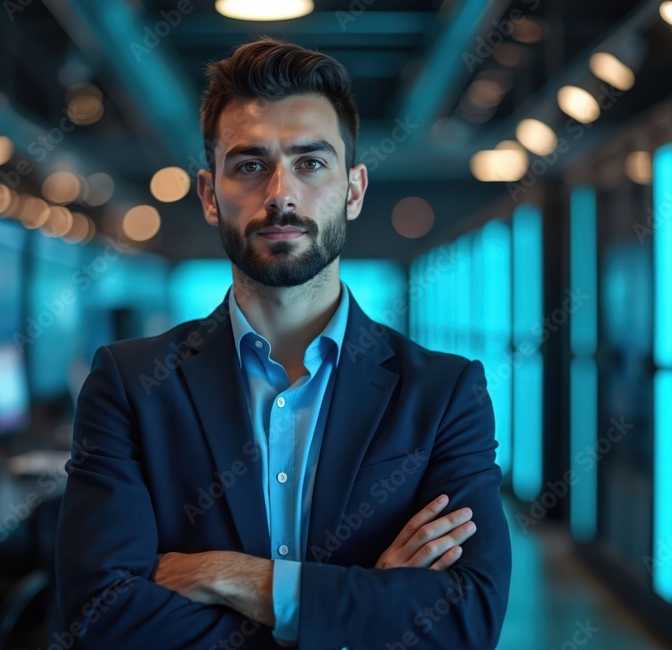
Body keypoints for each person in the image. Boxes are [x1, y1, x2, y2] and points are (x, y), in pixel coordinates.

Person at [55, 37, 511, 649]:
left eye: (310, 162)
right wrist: (350, 608)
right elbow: (99, 615)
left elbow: (466, 617)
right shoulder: (131, 383)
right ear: (210, 195)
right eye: (249, 165)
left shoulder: (444, 392)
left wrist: (236, 578)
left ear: (353, 189)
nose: (280, 194)